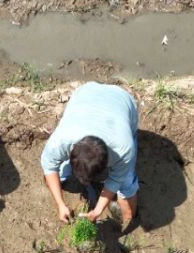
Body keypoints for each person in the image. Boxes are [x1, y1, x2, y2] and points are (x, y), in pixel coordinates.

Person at [40, 82, 139, 225]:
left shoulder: (123, 149)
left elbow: (116, 179)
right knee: (55, 177)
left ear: (106, 164)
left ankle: (129, 219)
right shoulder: (61, 140)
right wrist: (60, 204)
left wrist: (98, 210)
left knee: (126, 183)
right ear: (72, 151)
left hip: (122, 100)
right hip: (86, 92)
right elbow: (49, 167)